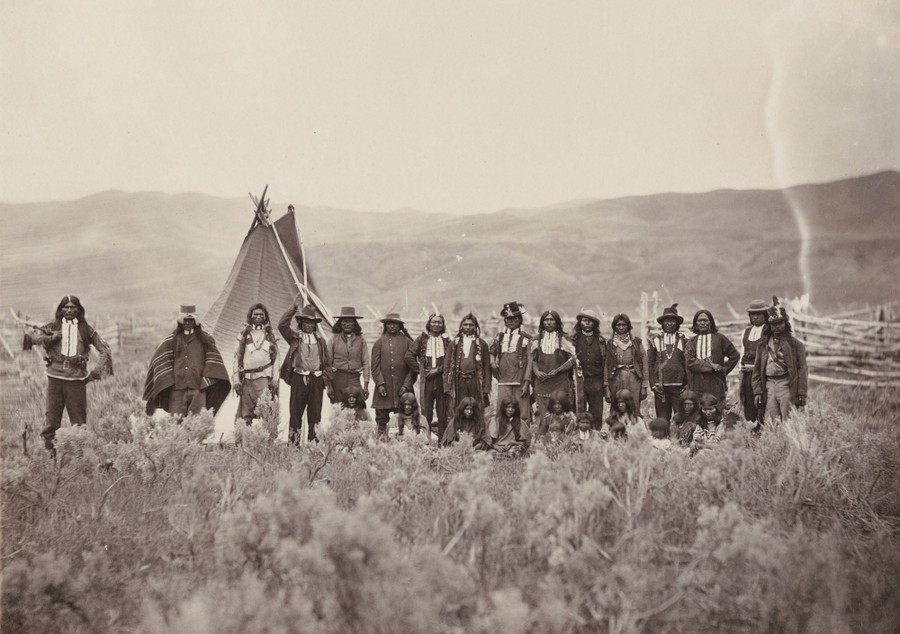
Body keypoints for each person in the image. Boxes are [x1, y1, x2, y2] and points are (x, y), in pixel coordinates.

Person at [28, 295, 113, 453]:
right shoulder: (52, 327)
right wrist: (50, 337)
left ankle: (81, 461)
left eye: (72, 307)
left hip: (76, 381)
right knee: (51, 423)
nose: (69, 310)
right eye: (65, 307)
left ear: (78, 310)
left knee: (79, 424)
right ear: (61, 310)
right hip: (54, 379)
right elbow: (33, 339)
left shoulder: (86, 330)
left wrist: (95, 373)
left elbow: (104, 349)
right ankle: (51, 460)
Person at [144, 304, 230, 417]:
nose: (188, 323)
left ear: (195, 321)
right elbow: (159, 359)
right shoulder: (171, 341)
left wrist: (204, 381)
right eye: (185, 320)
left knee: (198, 422)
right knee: (176, 423)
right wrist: (170, 381)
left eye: (191, 320)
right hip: (177, 391)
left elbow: (214, 362)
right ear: (180, 322)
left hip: (198, 391)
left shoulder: (205, 340)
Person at [278, 301, 332, 444]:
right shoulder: (295, 338)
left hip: (316, 381)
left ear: (315, 325)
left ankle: (313, 445)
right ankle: (293, 445)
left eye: (312, 323)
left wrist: (324, 379)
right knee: (295, 414)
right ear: (301, 323)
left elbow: (327, 363)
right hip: (299, 379)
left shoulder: (320, 342)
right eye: (306, 322)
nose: (309, 325)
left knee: (315, 415)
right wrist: (293, 309)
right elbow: (282, 326)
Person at [751, 298, 808, 423]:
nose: (777, 327)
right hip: (769, 386)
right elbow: (757, 370)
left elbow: (803, 369)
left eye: (780, 323)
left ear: (785, 323)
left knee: (789, 420)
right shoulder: (763, 345)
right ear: (769, 326)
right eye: (773, 324)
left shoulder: (796, 345)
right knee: (773, 421)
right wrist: (758, 391)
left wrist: (801, 392)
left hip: (786, 384)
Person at [443, 313, 492, 441]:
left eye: (471, 325)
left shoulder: (482, 344)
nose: (468, 327)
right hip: (459, 382)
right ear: (461, 326)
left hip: (475, 381)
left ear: (475, 327)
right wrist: (447, 386)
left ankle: (477, 438)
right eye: (465, 324)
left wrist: (486, 388)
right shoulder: (454, 344)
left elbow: (487, 367)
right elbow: (446, 366)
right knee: (458, 409)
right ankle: (457, 438)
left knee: (476, 409)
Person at [371, 313, 417, 439]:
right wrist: (380, 384)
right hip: (384, 389)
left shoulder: (408, 342)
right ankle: (381, 441)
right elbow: (375, 367)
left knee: (405, 417)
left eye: (395, 324)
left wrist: (406, 386)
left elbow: (413, 368)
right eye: (389, 324)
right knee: (381, 419)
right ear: (385, 326)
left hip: (403, 389)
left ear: (400, 326)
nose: (392, 326)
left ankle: (403, 441)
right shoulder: (379, 343)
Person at [232, 303, 279, 425]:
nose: (258, 317)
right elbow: (236, 358)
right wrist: (236, 380)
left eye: (261, 315)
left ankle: (267, 437)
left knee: (267, 412)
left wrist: (275, 379)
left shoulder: (270, 334)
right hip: (247, 380)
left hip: (264, 379)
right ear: (251, 316)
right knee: (245, 415)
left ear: (265, 316)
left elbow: (276, 359)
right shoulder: (243, 334)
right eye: (256, 314)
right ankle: (245, 437)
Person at [489, 301, 535, 427]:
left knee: (522, 412)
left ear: (519, 319)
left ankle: (522, 436)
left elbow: (530, 361)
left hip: (520, 381)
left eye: (514, 318)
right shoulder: (499, 337)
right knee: (502, 410)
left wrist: (527, 383)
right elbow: (492, 352)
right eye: (508, 319)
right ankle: (501, 435)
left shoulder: (528, 338)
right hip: (503, 380)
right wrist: (492, 363)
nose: (511, 321)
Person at [407, 313, 451, 439]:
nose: (436, 324)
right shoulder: (422, 339)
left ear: (443, 325)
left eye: (439, 322)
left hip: (442, 379)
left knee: (443, 410)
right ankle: (426, 438)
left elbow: (451, 360)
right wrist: (420, 370)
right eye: (434, 322)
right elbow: (409, 356)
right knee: (426, 410)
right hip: (427, 381)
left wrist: (438, 370)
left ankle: (443, 439)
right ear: (429, 324)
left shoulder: (447, 340)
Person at [685, 310, 739, 405]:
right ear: (695, 323)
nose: (702, 323)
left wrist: (723, 370)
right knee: (698, 409)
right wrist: (711, 366)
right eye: (699, 320)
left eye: (705, 320)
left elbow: (734, 355)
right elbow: (689, 361)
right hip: (696, 383)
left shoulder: (720, 338)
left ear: (711, 322)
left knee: (716, 408)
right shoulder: (692, 341)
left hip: (715, 382)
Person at [647, 304, 689, 423]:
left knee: (680, 417)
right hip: (660, 387)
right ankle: (663, 435)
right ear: (662, 323)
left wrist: (687, 383)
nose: (669, 324)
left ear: (677, 324)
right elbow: (650, 364)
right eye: (666, 321)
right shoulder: (655, 340)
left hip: (679, 387)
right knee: (662, 418)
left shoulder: (683, 340)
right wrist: (653, 385)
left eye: (672, 321)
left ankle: (679, 435)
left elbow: (688, 363)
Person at [531, 310, 576, 417]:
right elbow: (533, 360)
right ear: (542, 322)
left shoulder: (565, 339)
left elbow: (573, 359)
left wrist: (558, 370)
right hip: (542, 382)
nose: (549, 322)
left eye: (552, 320)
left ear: (557, 322)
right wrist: (537, 372)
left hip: (560, 382)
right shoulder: (536, 340)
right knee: (542, 414)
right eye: (546, 320)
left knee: (560, 412)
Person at [605, 314, 649, 415]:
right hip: (616, 379)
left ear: (628, 326)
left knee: (634, 407)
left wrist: (644, 386)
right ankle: (616, 425)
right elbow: (606, 365)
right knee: (617, 407)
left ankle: (634, 424)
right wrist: (606, 387)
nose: (621, 327)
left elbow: (644, 363)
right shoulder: (610, 344)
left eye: (624, 325)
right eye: (618, 325)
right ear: (614, 326)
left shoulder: (636, 342)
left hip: (633, 378)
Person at [328, 306, 370, 405]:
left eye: (350, 321)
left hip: (355, 378)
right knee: (338, 407)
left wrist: (366, 385)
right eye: (344, 321)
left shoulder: (361, 340)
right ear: (340, 323)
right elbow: (328, 363)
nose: (347, 324)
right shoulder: (333, 339)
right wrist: (329, 386)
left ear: (354, 323)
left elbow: (366, 362)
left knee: (358, 407)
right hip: (338, 378)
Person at [571, 309, 607, 426]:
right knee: (579, 410)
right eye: (584, 320)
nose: (587, 323)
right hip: (579, 381)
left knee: (596, 412)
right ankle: (579, 435)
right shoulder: (573, 340)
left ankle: (595, 434)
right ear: (580, 323)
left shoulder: (601, 341)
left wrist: (604, 383)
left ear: (594, 324)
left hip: (596, 381)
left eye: (590, 321)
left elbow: (605, 363)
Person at [740, 299, 770, 425]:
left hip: (762, 376)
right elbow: (742, 352)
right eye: (753, 314)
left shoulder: (769, 332)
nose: (755, 317)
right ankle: (750, 428)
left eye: (758, 314)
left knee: (762, 404)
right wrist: (741, 371)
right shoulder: (746, 332)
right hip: (747, 374)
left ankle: (762, 428)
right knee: (748, 402)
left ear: (765, 315)